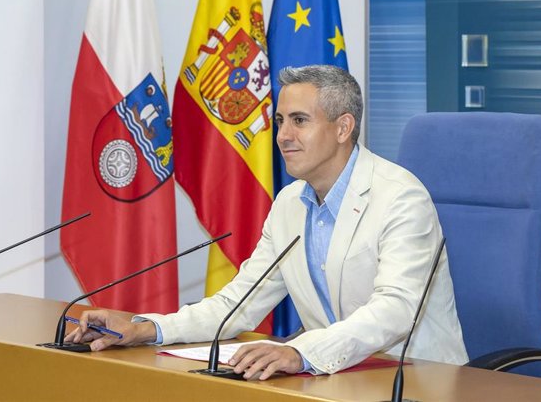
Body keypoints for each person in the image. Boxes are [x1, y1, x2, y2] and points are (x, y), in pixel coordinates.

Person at [66, 65, 468, 380]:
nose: (282, 136)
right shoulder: (290, 202)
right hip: (336, 378)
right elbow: (236, 304)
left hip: (417, 379)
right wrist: (145, 328)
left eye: (299, 120)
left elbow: (396, 309)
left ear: (343, 127)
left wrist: (300, 352)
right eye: (279, 121)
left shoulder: (400, 197)